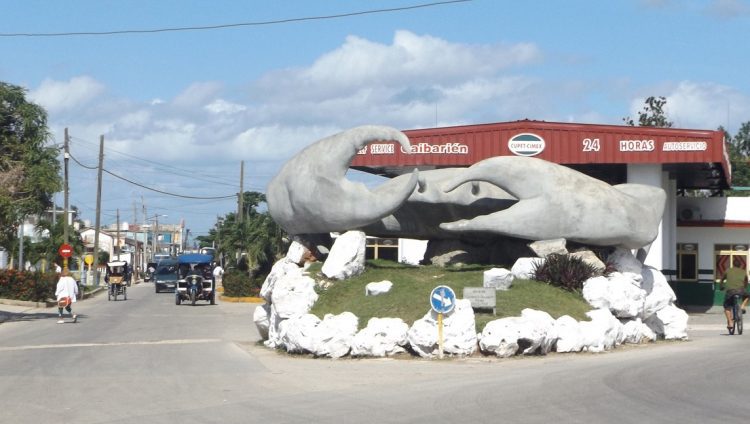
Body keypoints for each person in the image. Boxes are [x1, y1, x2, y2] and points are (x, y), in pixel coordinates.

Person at [720, 266, 749, 333]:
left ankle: (730, 323)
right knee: (747, 296)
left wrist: (721, 286)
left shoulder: (728, 270)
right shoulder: (743, 271)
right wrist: (744, 287)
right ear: (740, 266)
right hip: (741, 290)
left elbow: (722, 279)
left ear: (733, 265)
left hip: (730, 291)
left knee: (727, 307)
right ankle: (742, 307)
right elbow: (746, 281)